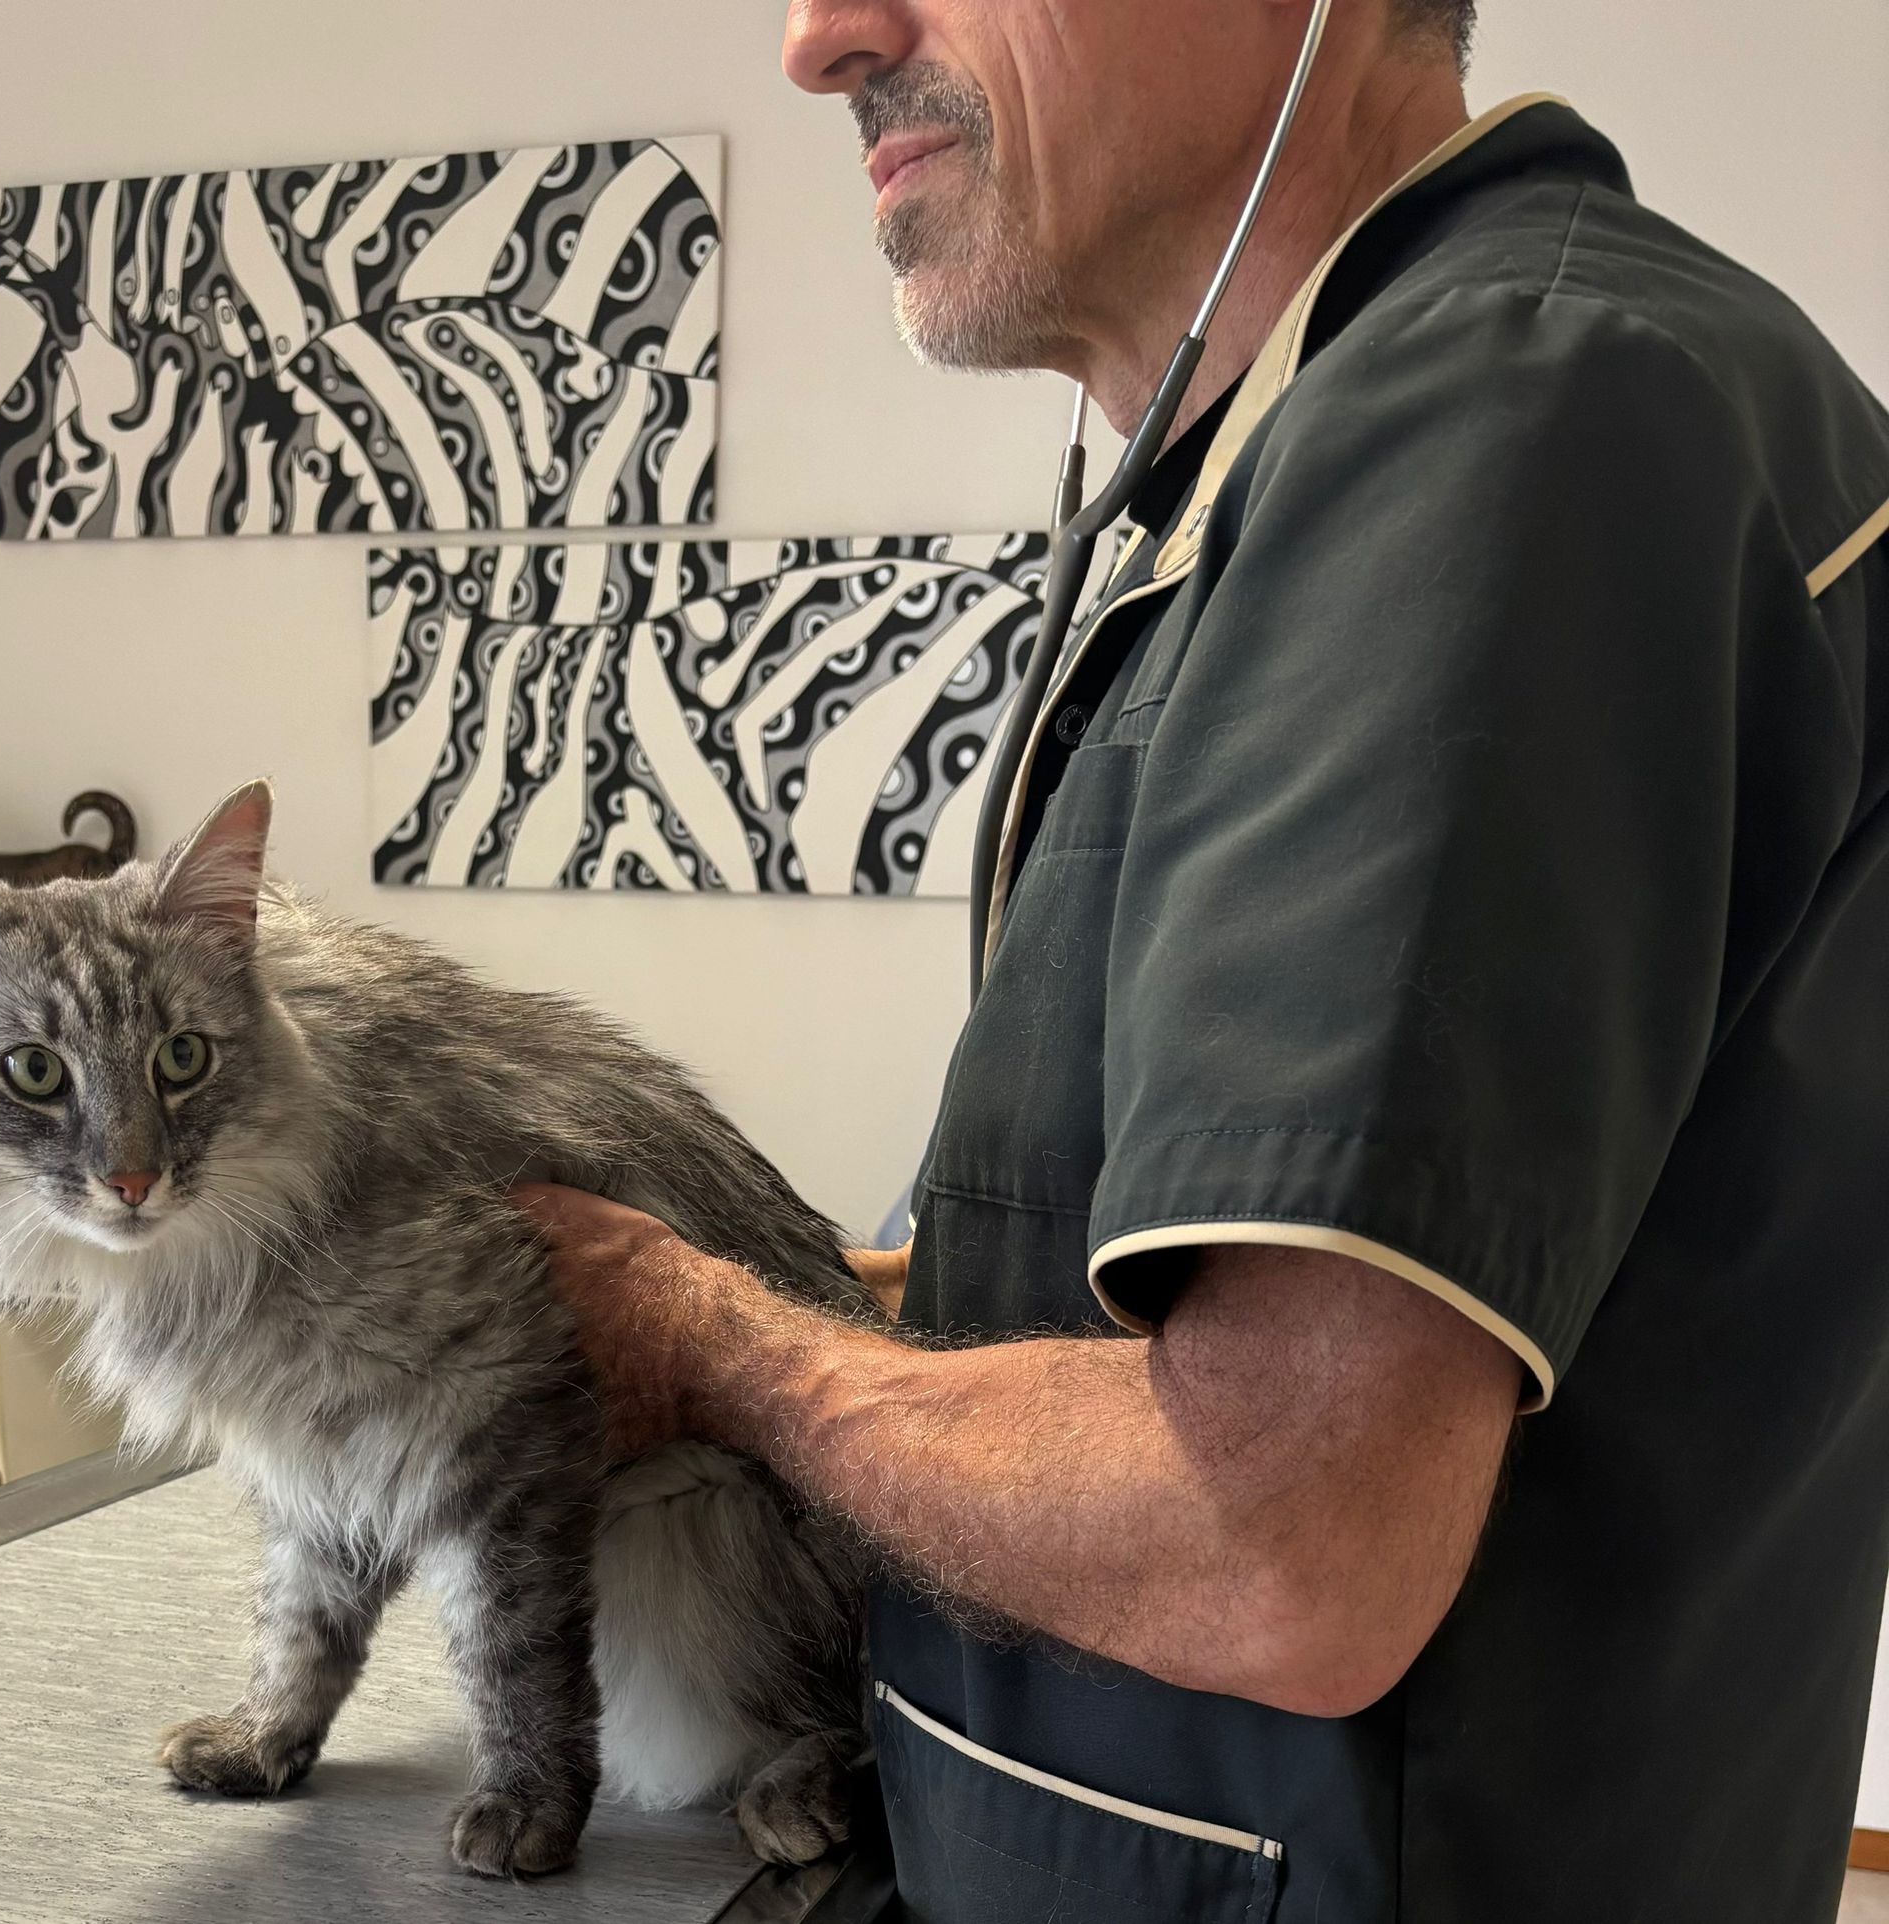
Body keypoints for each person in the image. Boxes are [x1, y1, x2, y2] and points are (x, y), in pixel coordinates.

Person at [516, 2, 1889, 1917]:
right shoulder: (1314, 449)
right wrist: (846, 1280)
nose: (822, 41)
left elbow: (1281, 1536)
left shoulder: (1505, 414)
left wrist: (708, 1341)